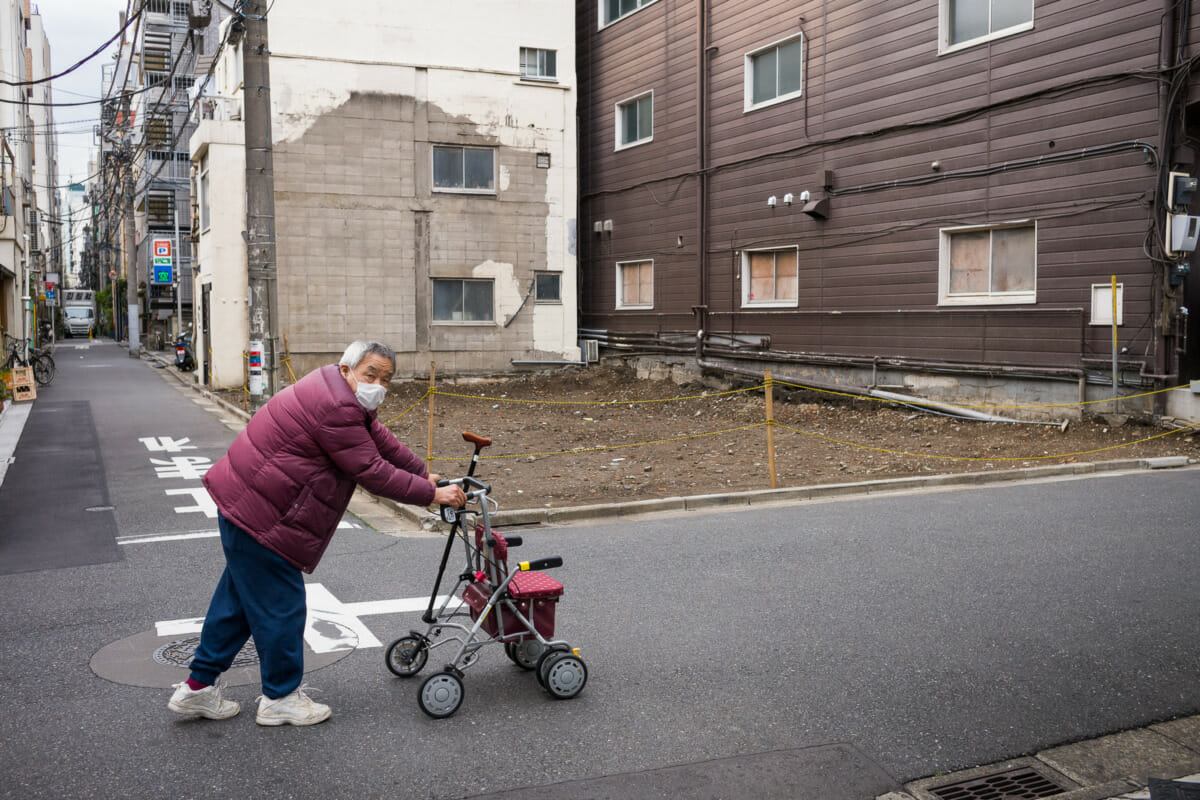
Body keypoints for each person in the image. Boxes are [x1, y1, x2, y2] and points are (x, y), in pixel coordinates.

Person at [167, 340, 466, 726]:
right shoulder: (338, 407)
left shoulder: (333, 388)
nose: (378, 385)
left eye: (386, 379)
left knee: (237, 605)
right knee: (281, 609)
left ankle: (197, 688)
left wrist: (421, 472)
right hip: (265, 516)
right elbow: (370, 470)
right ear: (347, 369)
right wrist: (430, 493)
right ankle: (280, 698)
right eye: (370, 374)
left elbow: (378, 440)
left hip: (247, 505)